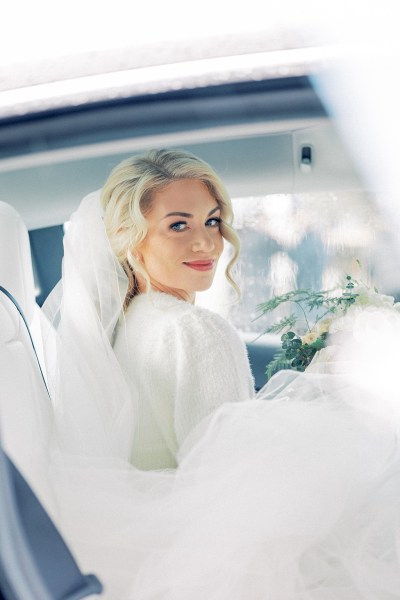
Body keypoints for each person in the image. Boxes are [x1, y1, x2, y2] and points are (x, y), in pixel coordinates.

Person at [42, 149, 400, 599]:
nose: (207, 243)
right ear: (129, 240)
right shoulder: (199, 331)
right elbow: (234, 485)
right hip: (217, 556)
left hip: (158, 547)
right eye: (179, 225)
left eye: (212, 221)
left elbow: (212, 442)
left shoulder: (126, 325)